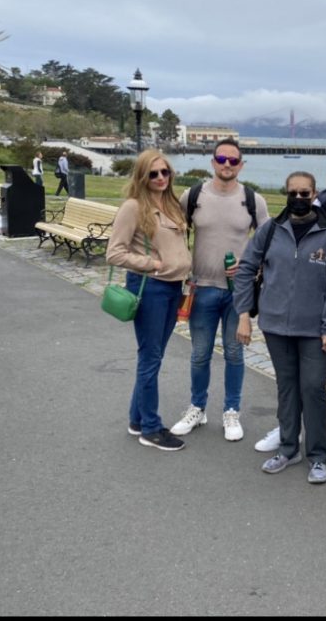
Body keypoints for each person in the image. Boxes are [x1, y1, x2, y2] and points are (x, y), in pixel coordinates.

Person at [233, 171, 326, 484]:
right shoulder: (270, 230)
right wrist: (244, 313)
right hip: (275, 325)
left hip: (315, 329)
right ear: (286, 193)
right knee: (286, 388)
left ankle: (318, 455)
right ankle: (287, 447)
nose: (299, 198)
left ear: (314, 194)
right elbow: (246, 270)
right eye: (293, 193)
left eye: (305, 193)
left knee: (312, 388)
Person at [171, 138, 269, 442]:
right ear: (213, 161)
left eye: (233, 161)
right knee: (199, 355)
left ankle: (231, 411)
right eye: (222, 159)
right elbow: (175, 232)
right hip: (201, 288)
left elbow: (267, 243)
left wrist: (247, 262)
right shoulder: (194, 195)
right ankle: (197, 409)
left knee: (234, 354)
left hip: (238, 292)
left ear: (241, 165)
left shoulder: (253, 200)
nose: (227, 165)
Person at [106, 150, 192, 451]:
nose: (160, 178)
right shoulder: (133, 207)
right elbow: (114, 252)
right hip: (151, 288)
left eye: (164, 172)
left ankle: (137, 419)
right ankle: (151, 428)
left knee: (153, 356)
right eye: (153, 173)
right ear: (142, 176)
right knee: (150, 357)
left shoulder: (171, 204)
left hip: (173, 288)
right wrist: (152, 264)